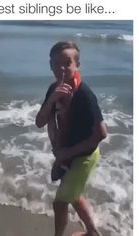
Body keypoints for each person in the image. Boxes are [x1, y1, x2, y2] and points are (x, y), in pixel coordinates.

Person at [35, 41, 107, 236]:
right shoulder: (53, 89)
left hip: (84, 155)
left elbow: (101, 133)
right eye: (56, 64)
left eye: (67, 63)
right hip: (68, 153)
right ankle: (93, 232)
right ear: (50, 66)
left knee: (60, 203)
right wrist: (51, 100)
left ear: (77, 65)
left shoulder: (84, 94)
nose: (61, 68)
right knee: (74, 195)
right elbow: (40, 122)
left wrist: (66, 153)